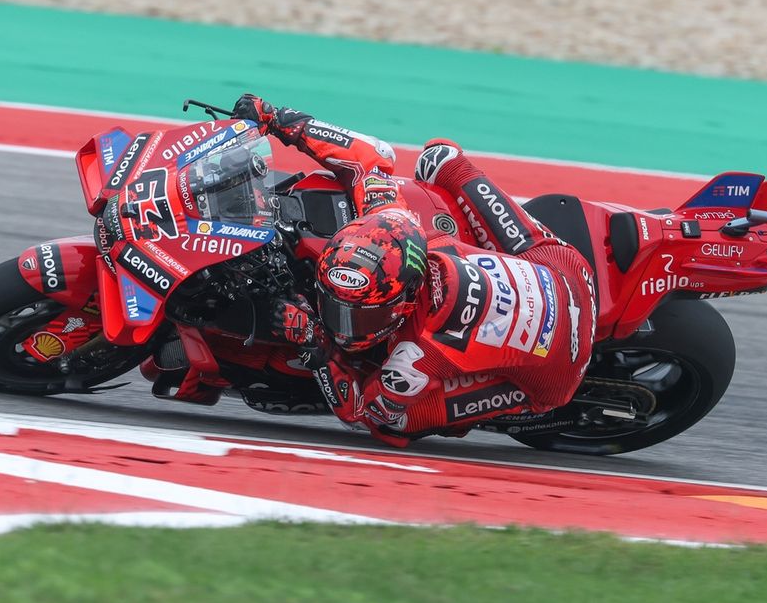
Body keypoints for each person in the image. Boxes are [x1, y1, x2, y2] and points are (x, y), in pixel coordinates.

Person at [231, 94, 597, 447]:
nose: (342, 326)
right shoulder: (392, 219)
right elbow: (367, 156)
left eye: (357, 316)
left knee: (395, 423)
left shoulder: (413, 358)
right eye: (334, 307)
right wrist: (278, 119)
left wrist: (316, 346)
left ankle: (509, 404)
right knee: (440, 157)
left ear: (402, 304)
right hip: (562, 272)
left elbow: (360, 412)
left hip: (559, 368)